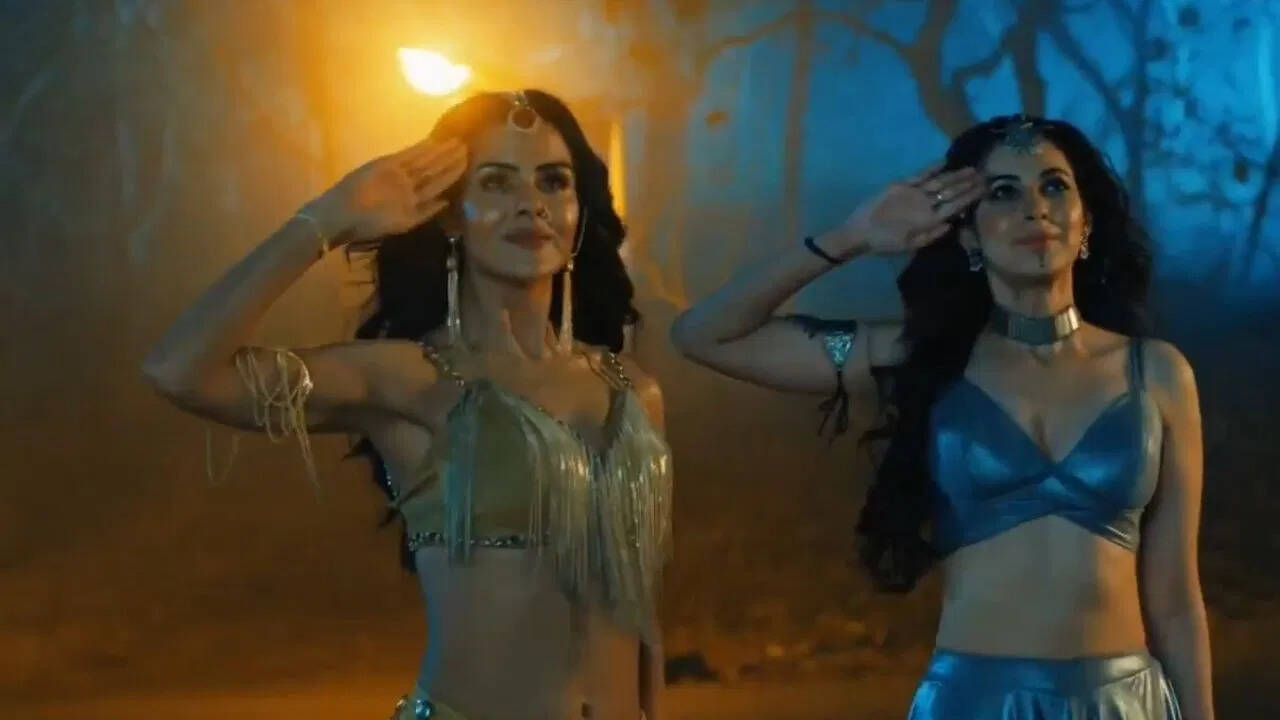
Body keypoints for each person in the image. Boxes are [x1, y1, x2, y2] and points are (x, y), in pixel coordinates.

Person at [143, 90, 672, 720]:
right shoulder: (412, 378)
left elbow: (640, 610)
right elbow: (181, 371)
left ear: (579, 212)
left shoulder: (633, 390)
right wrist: (324, 220)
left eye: (553, 181)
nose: (530, 202)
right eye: (496, 182)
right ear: (451, 218)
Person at [671, 115, 1210, 719]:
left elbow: (1175, 602)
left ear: (1085, 223)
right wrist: (851, 237)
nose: (1035, 208)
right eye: (1003, 192)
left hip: (1126, 704)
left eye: (1054, 186)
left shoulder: (1155, 373)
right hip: (973, 704)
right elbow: (706, 336)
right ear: (969, 238)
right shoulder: (919, 357)